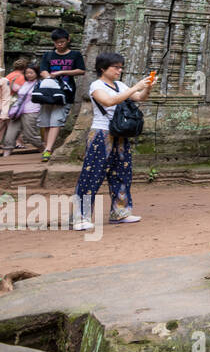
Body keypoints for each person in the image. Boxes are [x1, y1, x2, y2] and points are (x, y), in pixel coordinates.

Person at [73, 52, 154, 229]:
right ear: (103, 69)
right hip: (101, 133)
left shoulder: (119, 85)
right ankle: (80, 217)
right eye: (115, 67)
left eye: (120, 67)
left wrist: (147, 87)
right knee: (92, 174)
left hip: (120, 133)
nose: (119, 70)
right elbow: (108, 101)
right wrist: (135, 87)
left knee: (122, 173)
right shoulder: (96, 85)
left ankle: (120, 211)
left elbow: (140, 98)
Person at [37, 29, 85, 162]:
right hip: (47, 93)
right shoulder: (48, 55)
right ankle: (47, 146)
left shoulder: (75, 55)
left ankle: (48, 149)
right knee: (45, 122)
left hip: (65, 93)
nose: (60, 45)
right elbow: (43, 70)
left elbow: (81, 70)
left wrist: (61, 73)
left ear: (68, 40)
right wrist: (49, 77)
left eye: (62, 42)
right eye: (57, 43)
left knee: (56, 121)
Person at [2, 67, 40, 156]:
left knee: (30, 135)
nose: (28, 75)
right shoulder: (25, 83)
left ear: (37, 73)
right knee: (10, 134)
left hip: (31, 111)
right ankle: (6, 154)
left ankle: (43, 148)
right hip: (17, 112)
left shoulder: (40, 84)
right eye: (27, 73)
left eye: (31, 73)